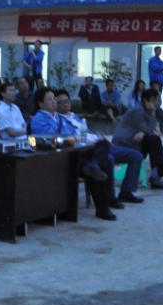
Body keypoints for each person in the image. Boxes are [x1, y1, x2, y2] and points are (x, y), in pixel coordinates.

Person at [31, 88, 117, 221]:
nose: (54, 102)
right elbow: (51, 139)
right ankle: (103, 209)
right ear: (40, 103)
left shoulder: (59, 116)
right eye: (49, 99)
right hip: (57, 158)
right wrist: (73, 139)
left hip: (73, 152)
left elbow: (73, 133)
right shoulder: (39, 119)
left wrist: (77, 139)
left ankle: (94, 166)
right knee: (93, 170)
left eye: (54, 99)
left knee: (103, 145)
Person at [55, 89, 145, 204]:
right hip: (89, 149)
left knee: (136, 156)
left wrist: (99, 137)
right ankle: (110, 197)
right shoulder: (58, 120)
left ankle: (126, 192)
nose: (65, 104)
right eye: (60, 102)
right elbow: (70, 138)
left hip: (100, 144)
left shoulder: (75, 117)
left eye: (67, 101)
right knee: (109, 159)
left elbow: (87, 132)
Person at [112, 89, 163, 189]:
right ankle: (155, 177)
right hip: (124, 142)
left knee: (154, 140)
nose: (156, 103)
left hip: (134, 140)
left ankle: (155, 176)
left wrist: (143, 132)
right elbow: (148, 130)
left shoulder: (146, 109)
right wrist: (152, 114)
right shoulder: (138, 110)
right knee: (154, 139)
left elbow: (148, 129)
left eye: (157, 100)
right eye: (153, 100)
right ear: (145, 100)